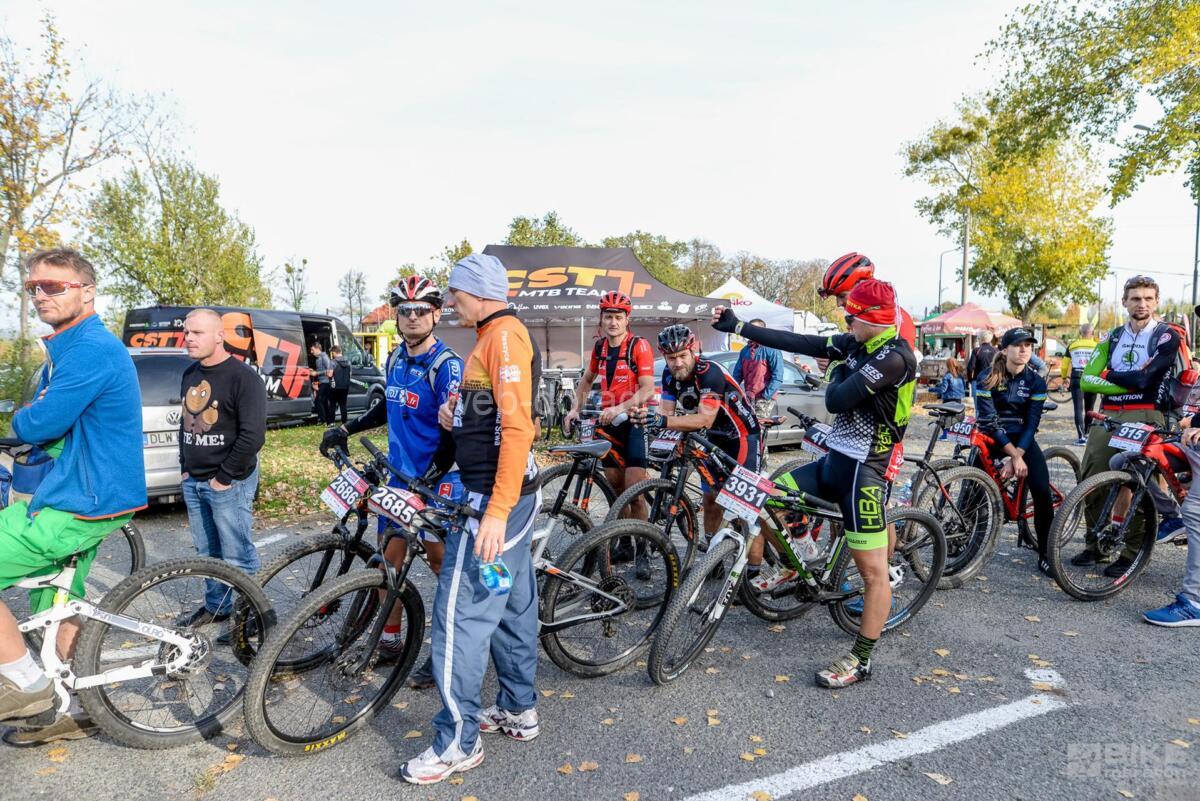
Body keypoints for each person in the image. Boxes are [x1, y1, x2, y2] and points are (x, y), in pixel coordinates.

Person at [713, 278, 917, 689]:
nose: (845, 321)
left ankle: (861, 659)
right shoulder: (858, 344)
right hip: (834, 461)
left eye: (851, 315)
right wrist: (739, 326)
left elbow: (835, 399)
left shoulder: (896, 357)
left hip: (865, 473)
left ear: (874, 319)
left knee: (873, 573)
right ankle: (796, 563)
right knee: (767, 496)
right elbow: (802, 342)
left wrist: (838, 368)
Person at [399, 254, 541, 785]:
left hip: (493, 500)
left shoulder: (502, 336)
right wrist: (455, 417)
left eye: (455, 294)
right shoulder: (494, 335)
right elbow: (493, 417)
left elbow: (518, 428)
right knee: (511, 604)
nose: (451, 304)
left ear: (477, 291)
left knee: (459, 618)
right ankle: (518, 709)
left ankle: (457, 742)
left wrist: (496, 511)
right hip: (509, 493)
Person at [0, 248, 145, 741]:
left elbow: (41, 422)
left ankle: (27, 684)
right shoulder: (71, 345)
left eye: (55, 286)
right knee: (56, 602)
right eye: (34, 287)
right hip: (82, 495)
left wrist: (24, 415)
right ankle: (70, 708)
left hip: (80, 502)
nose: (42, 295)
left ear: (87, 291)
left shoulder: (90, 349)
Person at [321, 275, 463, 686]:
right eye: (405, 311)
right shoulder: (396, 358)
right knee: (387, 562)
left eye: (421, 310)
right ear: (397, 317)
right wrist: (345, 429)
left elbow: (454, 435)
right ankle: (390, 643)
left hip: (438, 480)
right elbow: (386, 408)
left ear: (436, 315)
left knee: (441, 566)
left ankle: (450, 652)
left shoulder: (446, 366)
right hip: (399, 480)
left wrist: (428, 480)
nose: (412, 317)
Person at [1076, 275, 1184, 573]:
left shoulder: (1166, 335)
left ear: (1156, 302)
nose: (1142, 304)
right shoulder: (1111, 337)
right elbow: (1087, 381)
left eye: (1148, 298)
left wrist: (1109, 375)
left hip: (1146, 413)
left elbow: (1147, 381)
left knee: (1135, 482)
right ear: (1124, 301)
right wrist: (1130, 379)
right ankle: (1096, 545)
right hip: (1109, 412)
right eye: (1135, 298)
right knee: (1091, 478)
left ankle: (1132, 552)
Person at [177, 308, 267, 629]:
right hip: (194, 480)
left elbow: (253, 436)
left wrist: (224, 477)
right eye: (187, 333)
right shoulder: (190, 374)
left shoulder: (244, 378)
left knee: (237, 553)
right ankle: (217, 607)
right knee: (207, 552)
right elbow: (186, 422)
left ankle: (250, 616)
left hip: (229, 481)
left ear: (219, 336)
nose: (189, 339)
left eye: (197, 333)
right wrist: (185, 467)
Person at [561, 291, 656, 573]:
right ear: (601, 319)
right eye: (608, 317)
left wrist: (620, 407)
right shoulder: (600, 348)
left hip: (634, 420)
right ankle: (625, 542)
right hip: (608, 421)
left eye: (618, 317)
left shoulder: (638, 346)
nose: (613, 322)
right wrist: (575, 409)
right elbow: (586, 380)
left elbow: (648, 389)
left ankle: (643, 550)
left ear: (627, 319)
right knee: (615, 486)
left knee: (634, 491)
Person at [974, 329, 1054, 573]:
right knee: (974, 488)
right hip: (993, 437)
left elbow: (1032, 424)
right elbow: (989, 421)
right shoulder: (987, 377)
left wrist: (1017, 453)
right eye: (1018, 345)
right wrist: (1013, 456)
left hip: (1022, 438)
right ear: (1004, 349)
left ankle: (1046, 553)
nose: (1023, 349)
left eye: (1028, 345)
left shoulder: (1036, 381)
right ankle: (966, 543)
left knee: (1041, 490)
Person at [1143, 418, 1200, 626]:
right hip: (1192, 443)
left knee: (1195, 511)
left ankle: (1194, 603)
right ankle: (1172, 516)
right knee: (1127, 459)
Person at [732, 318, 783, 416]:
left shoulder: (772, 349)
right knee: (746, 424)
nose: (750, 332)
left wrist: (765, 396)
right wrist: (731, 391)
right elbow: (737, 375)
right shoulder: (745, 350)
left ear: (763, 331)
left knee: (759, 423)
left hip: (763, 398)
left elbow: (778, 377)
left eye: (753, 329)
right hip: (748, 397)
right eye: (749, 329)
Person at [1062, 325, 1099, 445]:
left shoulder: (1072, 345)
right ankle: (1088, 434)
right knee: (1090, 408)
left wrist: (1064, 377)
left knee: (1078, 409)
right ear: (1092, 333)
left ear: (1080, 333)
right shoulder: (1097, 346)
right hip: (1092, 379)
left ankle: (1081, 437)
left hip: (1077, 378)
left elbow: (1064, 365)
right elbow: (1103, 364)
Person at [965, 336, 997, 401]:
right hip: (992, 381)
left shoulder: (976, 350)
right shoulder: (996, 350)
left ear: (981, 340)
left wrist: (970, 380)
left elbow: (970, 368)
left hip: (978, 381)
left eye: (978, 339)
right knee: (992, 404)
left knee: (978, 405)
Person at [310, 341, 334, 424]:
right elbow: (321, 370)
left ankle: (322, 419)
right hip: (321, 382)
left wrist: (316, 373)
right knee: (324, 401)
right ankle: (327, 420)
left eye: (312, 350)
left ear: (317, 349)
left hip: (326, 382)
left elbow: (329, 370)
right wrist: (313, 371)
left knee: (318, 400)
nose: (311, 352)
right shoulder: (318, 358)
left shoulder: (324, 357)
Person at [329, 344, 351, 425]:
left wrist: (326, 373)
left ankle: (331, 422)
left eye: (332, 353)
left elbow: (330, 374)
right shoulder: (348, 362)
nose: (332, 355)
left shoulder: (333, 362)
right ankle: (344, 422)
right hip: (345, 386)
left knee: (332, 404)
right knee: (343, 404)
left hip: (335, 386)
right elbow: (350, 374)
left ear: (334, 352)